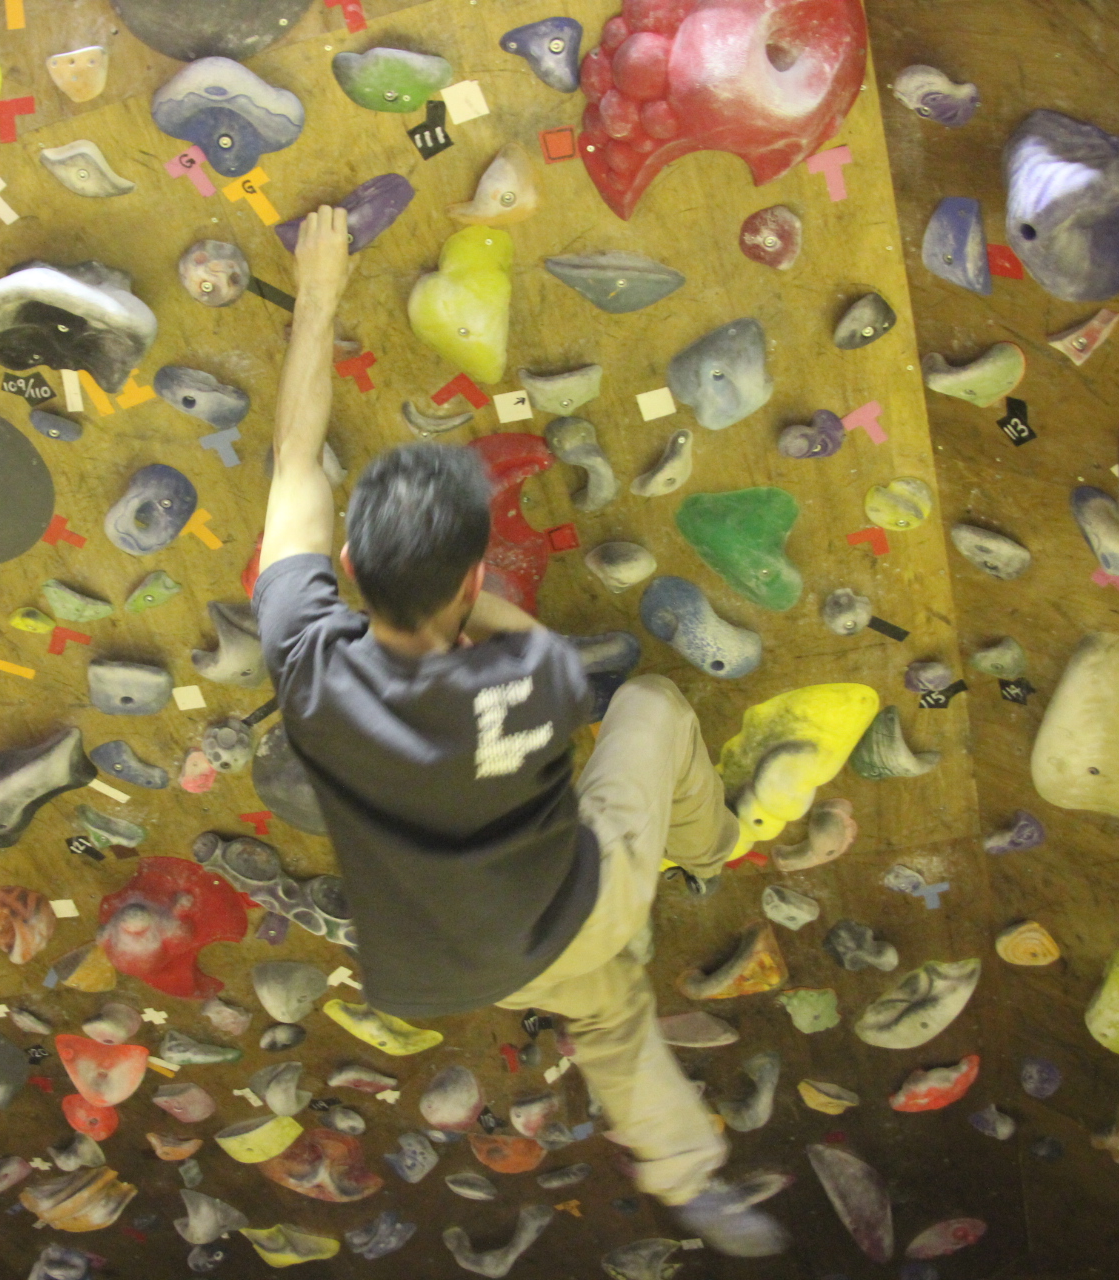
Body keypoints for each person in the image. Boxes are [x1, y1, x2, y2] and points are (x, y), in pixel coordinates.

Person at [249, 206, 788, 1256]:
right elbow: (528, 645)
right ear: (471, 579)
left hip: (449, 962)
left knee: (608, 1003)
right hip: (565, 908)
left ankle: (687, 1171)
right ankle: (712, 842)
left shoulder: (310, 665)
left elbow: (293, 463)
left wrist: (317, 292)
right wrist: (478, 603)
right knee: (650, 707)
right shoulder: (528, 676)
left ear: (349, 569)